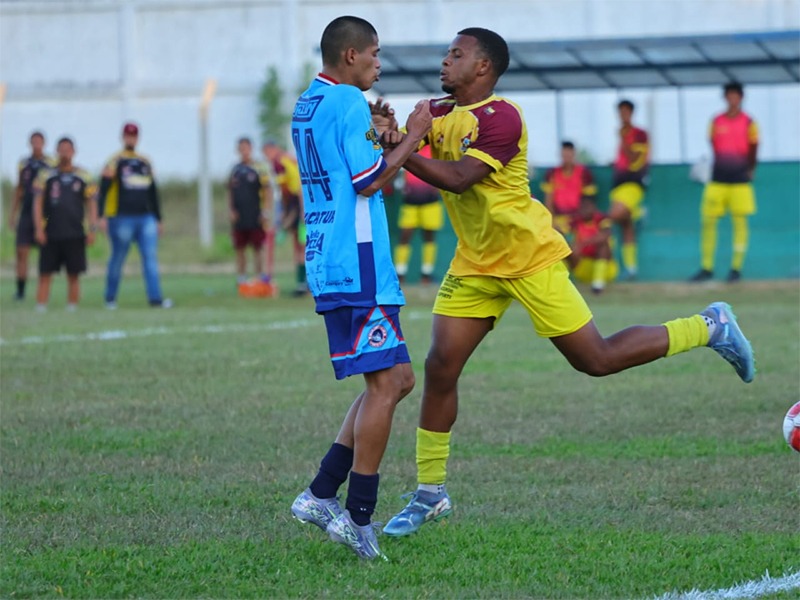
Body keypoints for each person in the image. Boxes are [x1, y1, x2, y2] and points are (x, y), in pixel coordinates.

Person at [379, 27, 755, 538]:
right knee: (440, 367)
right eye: (447, 53)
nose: (445, 61)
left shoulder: (502, 117)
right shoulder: (438, 113)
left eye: (456, 54)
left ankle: (709, 326)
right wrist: (389, 132)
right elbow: (399, 156)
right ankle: (430, 494)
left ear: (483, 67)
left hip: (528, 257)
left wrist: (405, 143)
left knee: (595, 360)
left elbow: (460, 178)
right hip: (475, 262)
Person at [287, 15, 432, 561]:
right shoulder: (348, 100)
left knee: (397, 379)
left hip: (330, 255)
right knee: (387, 383)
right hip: (358, 260)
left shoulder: (309, 102)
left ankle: (321, 493)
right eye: (374, 54)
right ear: (351, 56)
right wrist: (413, 135)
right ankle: (357, 517)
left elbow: (349, 158)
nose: (379, 64)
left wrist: (379, 134)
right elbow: (367, 181)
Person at [689, 82, 758, 283]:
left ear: (741, 98)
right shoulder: (716, 121)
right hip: (717, 179)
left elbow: (754, 146)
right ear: (725, 98)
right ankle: (707, 267)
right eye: (729, 95)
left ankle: (736, 268)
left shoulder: (749, 122)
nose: (732, 99)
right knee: (708, 221)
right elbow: (713, 144)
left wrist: (750, 168)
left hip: (740, 181)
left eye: (736, 95)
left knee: (740, 223)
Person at [98, 122, 171, 308]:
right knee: (118, 257)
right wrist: (101, 215)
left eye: (134, 136)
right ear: (122, 137)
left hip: (145, 217)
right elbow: (103, 190)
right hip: (121, 216)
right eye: (128, 135)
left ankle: (155, 299)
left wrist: (158, 218)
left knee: (150, 258)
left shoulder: (144, 161)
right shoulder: (114, 161)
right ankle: (110, 298)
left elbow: (152, 192)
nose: (131, 139)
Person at [31, 137, 97, 311]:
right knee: (45, 272)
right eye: (61, 149)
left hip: (75, 231)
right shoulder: (46, 175)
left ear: (73, 152)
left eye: (68, 149)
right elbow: (37, 203)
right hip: (51, 231)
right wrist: (38, 228)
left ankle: (72, 307)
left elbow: (91, 204)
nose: (64, 153)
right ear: (56, 151)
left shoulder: (84, 175)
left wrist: (92, 229)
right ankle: (41, 306)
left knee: (74, 273)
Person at [8, 131, 54, 301]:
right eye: (33, 141)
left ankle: (44, 290)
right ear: (30, 143)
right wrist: (12, 214)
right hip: (26, 212)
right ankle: (20, 291)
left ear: (44, 143)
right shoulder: (24, 164)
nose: (36, 145)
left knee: (46, 252)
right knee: (21, 251)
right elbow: (19, 189)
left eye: (39, 142)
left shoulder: (51, 164)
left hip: (45, 214)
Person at [609, 99, 649, 280]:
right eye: (620, 112)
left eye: (626, 112)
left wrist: (623, 139)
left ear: (632, 113)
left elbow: (635, 159)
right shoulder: (623, 134)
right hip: (618, 184)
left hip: (632, 184)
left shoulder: (639, 134)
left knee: (612, 218)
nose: (622, 115)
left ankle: (638, 213)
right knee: (626, 226)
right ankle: (631, 268)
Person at [393, 145, 444, 285]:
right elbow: (397, 175)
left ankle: (426, 274)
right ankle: (400, 274)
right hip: (410, 203)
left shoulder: (435, 148)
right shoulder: (408, 147)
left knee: (429, 237)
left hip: (431, 203)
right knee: (404, 237)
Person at [263, 140, 307, 296]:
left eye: (267, 151)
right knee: (298, 245)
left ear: (273, 149)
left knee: (303, 246)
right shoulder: (283, 161)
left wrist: (301, 212)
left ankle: (305, 284)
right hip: (294, 203)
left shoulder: (281, 162)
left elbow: (298, 186)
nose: (266, 156)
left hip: (300, 203)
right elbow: (284, 190)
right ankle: (302, 283)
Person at [228, 137, 273, 285]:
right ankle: (241, 278)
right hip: (240, 214)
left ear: (251, 149)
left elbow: (267, 190)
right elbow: (230, 191)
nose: (244, 151)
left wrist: (265, 211)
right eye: (241, 149)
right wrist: (231, 210)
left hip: (255, 213)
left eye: (246, 148)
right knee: (240, 247)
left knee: (258, 247)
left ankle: (260, 276)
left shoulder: (259, 168)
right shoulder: (235, 170)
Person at [540, 140, 597, 235]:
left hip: (578, 218)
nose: (566, 156)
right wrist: (552, 221)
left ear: (574, 154)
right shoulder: (552, 173)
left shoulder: (584, 173)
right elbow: (548, 202)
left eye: (569, 153)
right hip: (559, 218)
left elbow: (588, 203)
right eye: (564, 153)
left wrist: (578, 221)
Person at [567, 196, 618, 295]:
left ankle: (598, 284)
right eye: (582, 207)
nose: (584, 210)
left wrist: (583, 243)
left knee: (603, 245)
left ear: (594, 207)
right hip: (582, 268)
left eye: (587, 206)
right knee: (565, 248)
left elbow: (605, 235)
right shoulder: (574, 222)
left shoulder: (602, 219)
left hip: (606, 269)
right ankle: (565, 279)